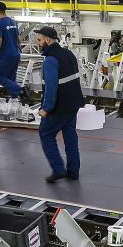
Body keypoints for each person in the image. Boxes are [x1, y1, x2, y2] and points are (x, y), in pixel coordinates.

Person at [35, 26, 84, 183]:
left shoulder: (50, 60)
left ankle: (58, 169)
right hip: (73, 104)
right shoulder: (68, 54)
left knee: (46, 133)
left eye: (39, 39)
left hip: (59, 107)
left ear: (48, 40)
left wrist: (45, 109)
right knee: (70, 137)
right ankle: (73, 171)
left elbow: (51, 88)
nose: (38, 43)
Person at [0, 1, 22, 99]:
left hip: (6, 56)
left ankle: (19, 90)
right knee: (11, 78)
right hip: (16, 54)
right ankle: (15, 101)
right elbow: (18, 39)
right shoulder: (12, 21)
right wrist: (19, 51)